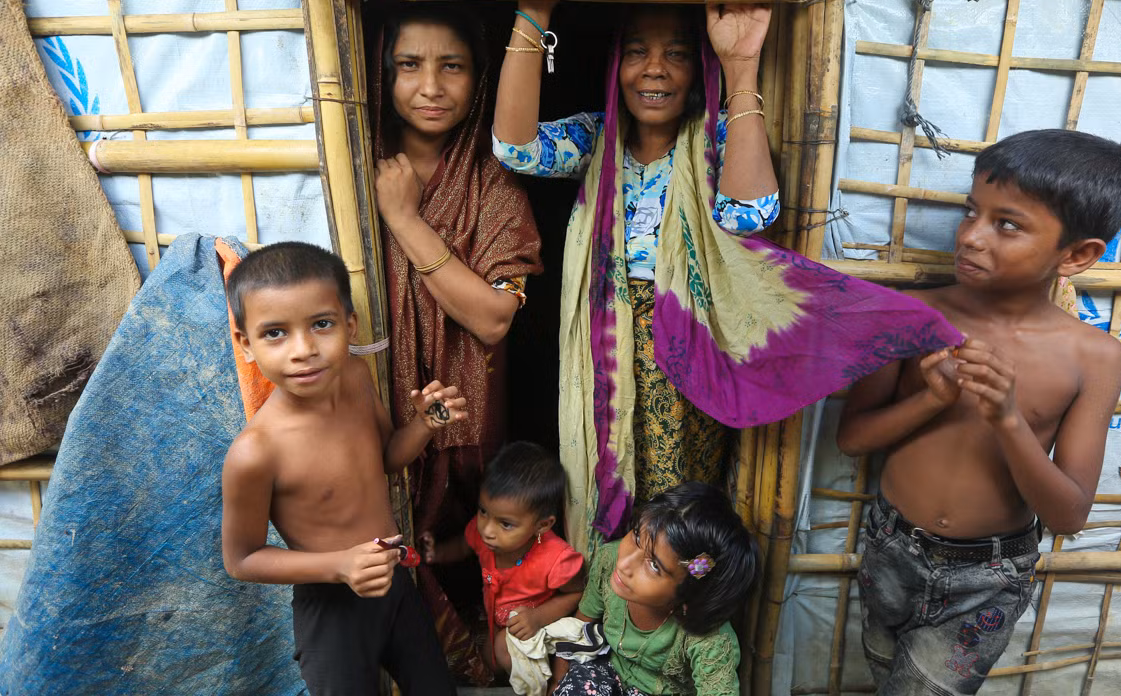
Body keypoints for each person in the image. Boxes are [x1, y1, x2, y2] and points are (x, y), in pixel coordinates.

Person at [493, 0, 960, 551]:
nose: (655, 69)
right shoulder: (598, 140)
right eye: (638, 52)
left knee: (673, 496)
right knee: (600, 470)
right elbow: (515, 148)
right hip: (603, 342)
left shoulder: (711, 141)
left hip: (686, 346)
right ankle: (611, 599)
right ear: (616, 64)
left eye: (678, 55)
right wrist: (533, 13)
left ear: (698, 72)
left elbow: (750, 212)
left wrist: (739, 66)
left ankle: (666, 605)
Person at [836, 129, 1121, 693]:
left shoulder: (1094, 357)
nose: (972, 237)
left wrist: (1006, 417)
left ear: (1077, 255)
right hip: (890, 550)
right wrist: (933, 399)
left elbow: (1069, 514)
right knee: (881, 673)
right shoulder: (910, 318)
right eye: (971, 212)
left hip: (989, 577)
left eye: (1007, 224)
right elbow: (853, 439)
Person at [372, 4, 543, 681]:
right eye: (410, 65)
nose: (431, 86)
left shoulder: (494, 184)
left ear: (480, 78)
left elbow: (494, 319)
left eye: (452, 66)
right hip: (385, 399)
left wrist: (405, 221)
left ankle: (473, 660)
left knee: (466, 530)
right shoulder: (359, 168)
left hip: (471, 407)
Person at [220, 241, 467, 695]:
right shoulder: (256, 452)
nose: (303, 350)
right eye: (275, 333)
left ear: (349, 325)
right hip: (330, 609)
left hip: (393, 586)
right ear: (246, 344)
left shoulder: (355, 377)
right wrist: (341, 565)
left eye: (321, 324)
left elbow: (388, 458)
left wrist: (427, 424)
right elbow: (241, 560)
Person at [549, 482, 757, 696]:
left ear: (689, 592)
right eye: (637, 536)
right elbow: (579, 628)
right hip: (606, 672)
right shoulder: (609, 561)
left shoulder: (712, 641)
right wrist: (557, 681)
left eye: (654, 565)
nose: (625, 564)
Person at [419, 441, 586, 675]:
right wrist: (437, 554)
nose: (487, 529)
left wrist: (538, 617)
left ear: (542, 525)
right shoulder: (485, 536)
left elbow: (578, 593)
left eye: (505, 524)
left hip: (538, 629)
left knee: (501, 651)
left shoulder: (555, 558)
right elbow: (464, 544)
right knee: (489, 656)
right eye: (483, 512)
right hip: (497, 623)